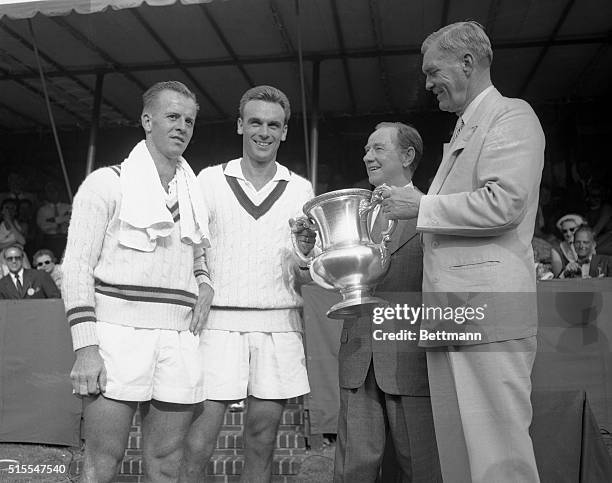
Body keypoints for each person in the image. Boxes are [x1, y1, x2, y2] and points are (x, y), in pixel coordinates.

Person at [379, 22, 544, 482]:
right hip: (452, 315)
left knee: (498, 452)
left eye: (434, 71)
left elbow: (504, 203)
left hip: (486, 312)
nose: (428, 83)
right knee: (457, 454)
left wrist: (421, 205)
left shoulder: (511, 116)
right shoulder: (467, 128)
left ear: (467, 63)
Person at [61, 81, 213, 483]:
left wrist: (206, 284)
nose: (182, 126)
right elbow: (75, 267)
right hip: (116, 334)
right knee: (102, 463)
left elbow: (199, 255)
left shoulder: (193, 191)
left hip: (179, 337)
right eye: (172, 117)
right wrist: (86, 348)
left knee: (167, 463)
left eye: (189, 120)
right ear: (147, 120)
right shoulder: (105, 183)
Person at [181, 85, 315, 482]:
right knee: (199, 440)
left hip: (279, 323)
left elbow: (304, 268)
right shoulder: (208, 180)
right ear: (240, 125)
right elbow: (191, 248)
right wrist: (202, 283)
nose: (264, 132)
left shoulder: (302, 189)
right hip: (218, 324)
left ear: (285, 132)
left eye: (274, 125)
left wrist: (306, 253)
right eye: (255, 122)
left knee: (262, 439)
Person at [334, 122, 441, 482]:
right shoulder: (353, 212)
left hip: (410, 360)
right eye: (366, 149)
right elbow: (324, 272)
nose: (367, 156)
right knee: (353, 471)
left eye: (378, 148)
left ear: (408, 156)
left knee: (419, 468)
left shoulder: (434, 213)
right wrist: (307, 252)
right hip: (359, 356)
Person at [36, 181, 71, 259]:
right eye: (49, 191)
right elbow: (42, 225)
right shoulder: (42, 210)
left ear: (59, 192)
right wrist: (60, 221)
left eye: (54, 191)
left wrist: (52, 220)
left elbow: (70, 220)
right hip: (50, 240)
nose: (52, 193)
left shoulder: (68, 207)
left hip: (65, 239)